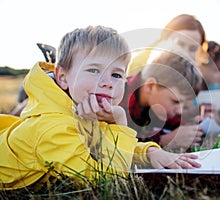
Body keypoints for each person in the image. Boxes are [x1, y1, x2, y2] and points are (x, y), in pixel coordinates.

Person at [0, 25, 201, 190]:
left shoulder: (82, 108)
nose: (108, 82)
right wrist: (120, 123)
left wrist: (149, 153)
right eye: (94, 70)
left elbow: (103, 146)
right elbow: (106, 179)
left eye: (116, 74)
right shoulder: (53, 128)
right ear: (62, 77)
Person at [120, 49, 205, 151]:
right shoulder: (119, 98)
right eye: (175, 101)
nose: (180, 110)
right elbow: (118, 143)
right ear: (150, 86)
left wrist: (191, 125)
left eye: (184, 104)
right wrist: (163, 141)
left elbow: (171, 122)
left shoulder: (155, 102)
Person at [127, 14, 206, 77]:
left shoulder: (199, 78)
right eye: (180, 44)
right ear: (165, 38)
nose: (185, 54)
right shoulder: (138, 69)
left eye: (193, 49)